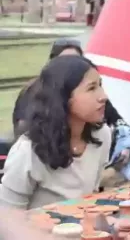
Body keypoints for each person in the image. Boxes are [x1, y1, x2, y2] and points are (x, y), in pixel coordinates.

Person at [11, 39, 130, 187]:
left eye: (78, 60)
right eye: (66, 62)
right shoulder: (28, 151)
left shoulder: (101, 132)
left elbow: (118, 122)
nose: (103, 96)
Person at [0, 55, 112, 209]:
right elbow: (7, 218)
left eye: (100, 85)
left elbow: (90, 196)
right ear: (64, 97)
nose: (103, 96)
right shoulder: (28, 152)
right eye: (91, 88)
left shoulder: (102, 135)